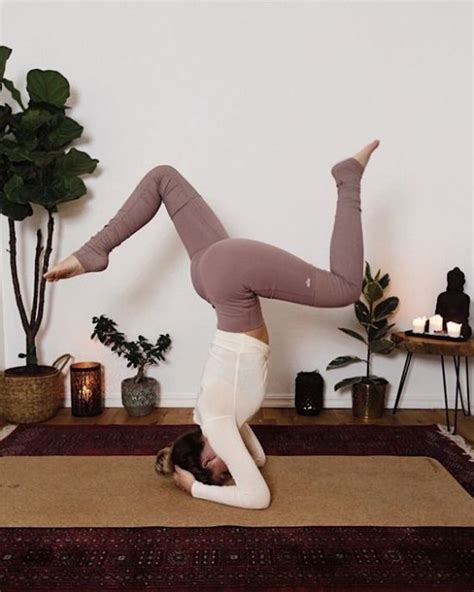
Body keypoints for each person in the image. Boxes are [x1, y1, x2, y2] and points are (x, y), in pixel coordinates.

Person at [44, 139, 380, 509]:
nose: (231, 473)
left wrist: (195, 487)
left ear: (205, 459)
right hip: (210, 273)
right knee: (164, 178)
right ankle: (94, 250)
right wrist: (198, 461)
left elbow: (258, 497)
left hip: (227, 274)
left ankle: (348, 178)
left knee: (345, 288)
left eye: (223, 473)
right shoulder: (207, 417)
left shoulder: (218, 423)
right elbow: (258, 460)